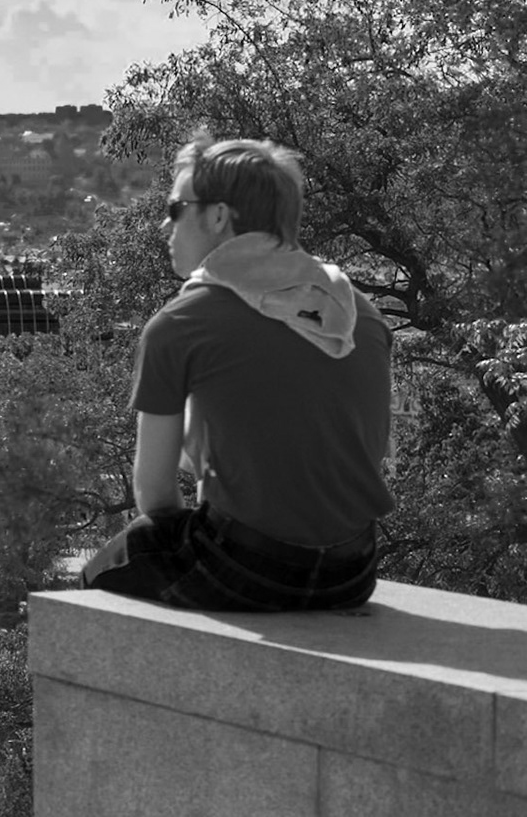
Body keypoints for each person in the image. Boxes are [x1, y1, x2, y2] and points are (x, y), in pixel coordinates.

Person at [80, 134, 395, 610]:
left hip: (246, 569)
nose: (166, 224)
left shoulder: (180, 325)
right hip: (354, 572)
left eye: (175, 208)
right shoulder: (360, 314)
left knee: (100, 574)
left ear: (218, 216)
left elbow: (156, 497)